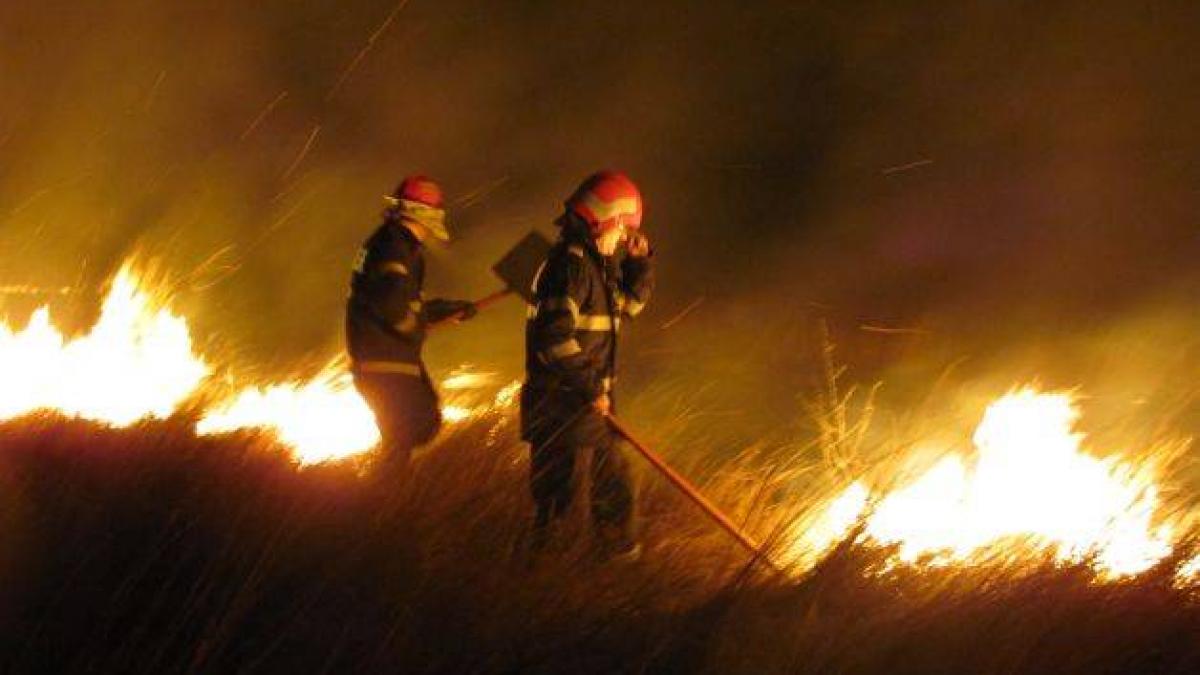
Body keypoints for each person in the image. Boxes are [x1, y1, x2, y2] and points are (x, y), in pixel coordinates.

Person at [521, 170, 654, 559]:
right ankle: (549, 582)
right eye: (623, 231)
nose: (622, 240)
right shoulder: (572, 267)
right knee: (560, 505)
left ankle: (611, 562)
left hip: (583, 409)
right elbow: (554, 339)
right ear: (608, 221)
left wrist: (639, 265)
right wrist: (591, 388)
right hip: (565, 409)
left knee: (610, 485)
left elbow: (626, 308)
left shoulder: (594, 266)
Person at [346, 175, 477, 477]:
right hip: (386, 361)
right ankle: (384, 503)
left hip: (385, 359)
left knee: (413, 428)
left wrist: (442, 310)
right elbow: (393, 305)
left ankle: (386, 498)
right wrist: (413, 327)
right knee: (412, 428)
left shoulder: (390, 242)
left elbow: (400, 301)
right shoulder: (394, 247)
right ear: (426, 216)